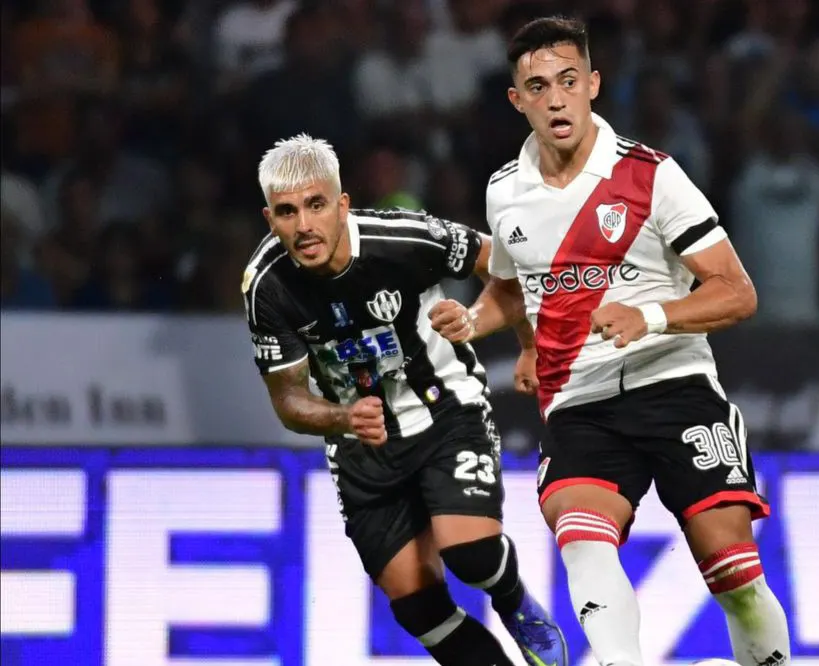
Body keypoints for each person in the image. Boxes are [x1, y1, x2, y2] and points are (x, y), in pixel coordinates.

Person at [430, 17, 791, 666]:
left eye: (569, 81)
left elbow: (736, 292)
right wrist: (479, 321)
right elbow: (513, 290)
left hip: (674, 384)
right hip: (580, 401)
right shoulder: (503, 193)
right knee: (582, 534)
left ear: (593, 84)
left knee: (732, 572)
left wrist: (648, 316)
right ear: (517, 100)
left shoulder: (653, 176)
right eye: (537, 86)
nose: (556, 98)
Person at [242, 134, 567, 666]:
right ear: (269, 217)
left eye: (316, 205)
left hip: (445, 410)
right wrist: (343, 417)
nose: (303, 226)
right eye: (286, 212)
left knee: (471, 554)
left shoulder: (403, 239)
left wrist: (528, 343)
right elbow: (288, 399)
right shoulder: (266, 285)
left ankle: (514, 601)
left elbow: (504, 265)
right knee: (419, 609)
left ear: (342, 204)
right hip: (361, 446)